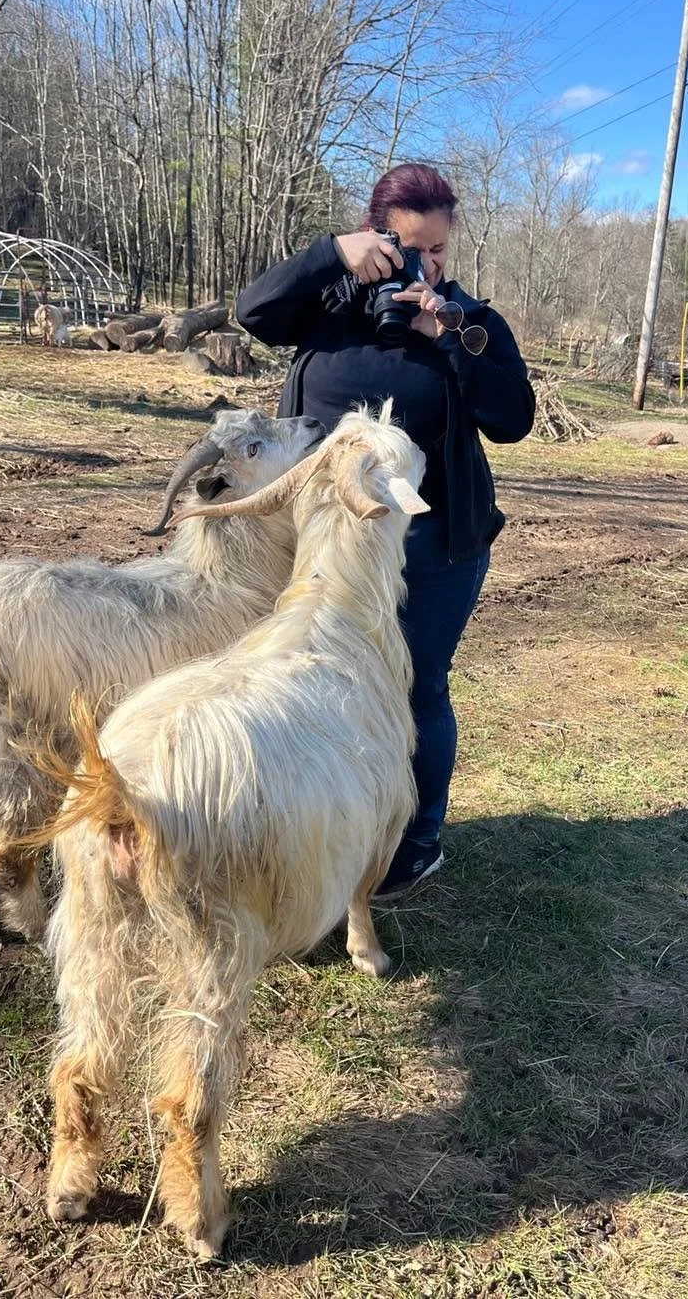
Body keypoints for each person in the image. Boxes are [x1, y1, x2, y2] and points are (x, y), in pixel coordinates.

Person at [236, 162, 535, 897]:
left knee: (416, 689)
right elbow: (253, 312)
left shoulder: (469, 321)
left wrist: (450, 334)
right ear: (375, 237)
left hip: (431, 549)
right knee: (307, 678)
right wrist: (330, 254)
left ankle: (414, 840)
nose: (422, 265)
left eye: (436, 251)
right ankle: (319, 826)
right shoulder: (328, 302)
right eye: (406, 249)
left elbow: (514, 418)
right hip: (319, 540)